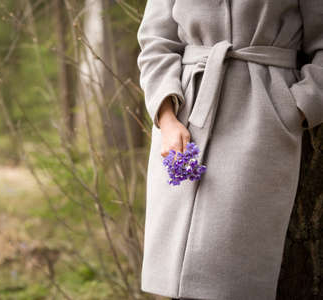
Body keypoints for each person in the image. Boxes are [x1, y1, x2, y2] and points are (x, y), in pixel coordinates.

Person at [136, 0, 323, 299]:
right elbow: (155, 42)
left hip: (261, 122)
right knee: (175, 278)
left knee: (233, 279)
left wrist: (294, 109)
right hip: (186, 115)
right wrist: (166, 117)